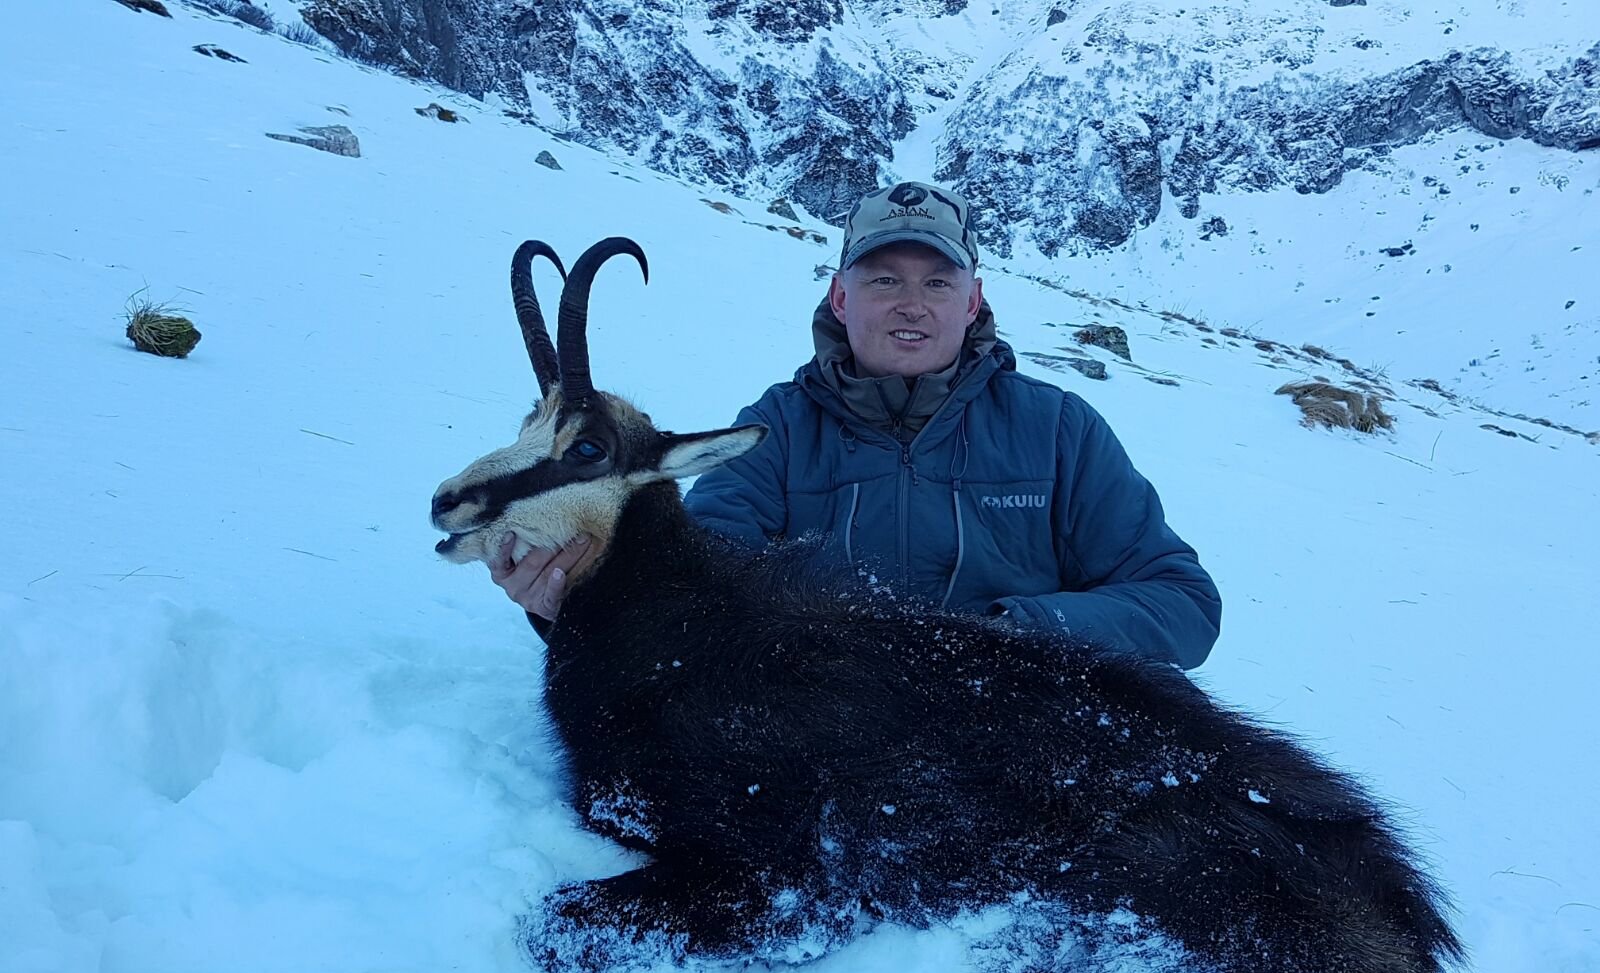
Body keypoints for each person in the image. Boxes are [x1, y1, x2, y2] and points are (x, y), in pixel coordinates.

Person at [490, 181, 1221, 668]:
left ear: (973, 302)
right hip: (835, 729)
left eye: (939, 281)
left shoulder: (1060, 429)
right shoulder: (776, 430)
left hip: (1033, 720)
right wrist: (573, 605)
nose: (913, 303)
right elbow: (690, 592)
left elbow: (1181, 604)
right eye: (883, 280)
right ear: (841, 297)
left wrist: (1009, 636)